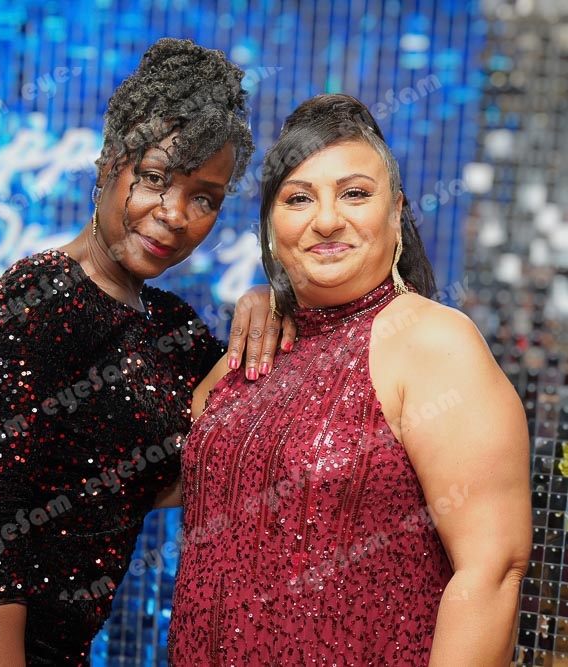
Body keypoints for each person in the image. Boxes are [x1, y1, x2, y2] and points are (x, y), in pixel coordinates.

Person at [0, 38, 294, 666]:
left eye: (204, 197)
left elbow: (251, 424)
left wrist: (271, 298)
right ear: (109, 165)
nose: (175, 214)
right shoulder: (41, 299)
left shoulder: (169, 328)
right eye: (155, 179)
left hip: (52, 643)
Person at [168, 93, 531, 666]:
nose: (327, 220)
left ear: (396, 211)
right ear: (270, 225)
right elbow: (162, 474)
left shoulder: (432, 341)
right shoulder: (258, 344)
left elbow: (491, 570)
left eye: (355, 193)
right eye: (298, 198)